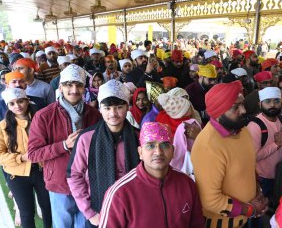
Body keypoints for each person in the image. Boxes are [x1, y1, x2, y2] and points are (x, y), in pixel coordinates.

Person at [28, 64, 101, 228]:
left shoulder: (94, 115)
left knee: (84, 225)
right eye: (69, 84)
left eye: (79, 85)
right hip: (60, 184)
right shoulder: (44, 116)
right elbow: (33, 154)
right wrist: (64, 145)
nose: (74, 90)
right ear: (60, 87)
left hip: (87, 184)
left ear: (84, 88)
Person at [191, 81, 268, 228]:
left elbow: (248, 166)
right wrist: (250, 209)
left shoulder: (242, 130)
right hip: (223, 224)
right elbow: (210, 200)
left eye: (242, 104)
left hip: (245, 218)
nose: (244, 110)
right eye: (235, 107)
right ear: (219, 112)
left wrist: (258, 192)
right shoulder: (208, 146)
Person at [98, 122, 205, 228]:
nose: (158, 152)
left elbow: (197, 224)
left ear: (173, 151)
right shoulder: (119, 193)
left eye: (165, 145)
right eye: (150, 146)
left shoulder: (187, 184)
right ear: (140, 153)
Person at [66, 79, 140, 227]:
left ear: (128, 107)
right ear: (100, 109)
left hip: (134, 211)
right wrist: (90, 213)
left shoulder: (138, 137)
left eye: (119, 107)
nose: (113, 113)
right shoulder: (87, 138)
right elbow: (74, 175)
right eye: (107, 108)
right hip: (98, 212)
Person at [0, 88, 52, 228]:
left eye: (20, 101)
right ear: (8, 106)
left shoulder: (41, 119)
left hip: (43, 171)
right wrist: (20, 158)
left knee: (48, 209)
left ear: (27, 101)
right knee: (26, 214)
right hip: (17, 176)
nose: (17, 106)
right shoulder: (1, 128)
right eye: (12, 103)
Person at [247, 87, 282, 198]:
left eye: (276, 101)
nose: (272, 105)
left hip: (281, 172)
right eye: (268, 101)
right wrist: (277, 144)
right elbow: (254, 156)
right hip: (262, 177)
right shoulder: (255, 126)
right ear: (260, 104)